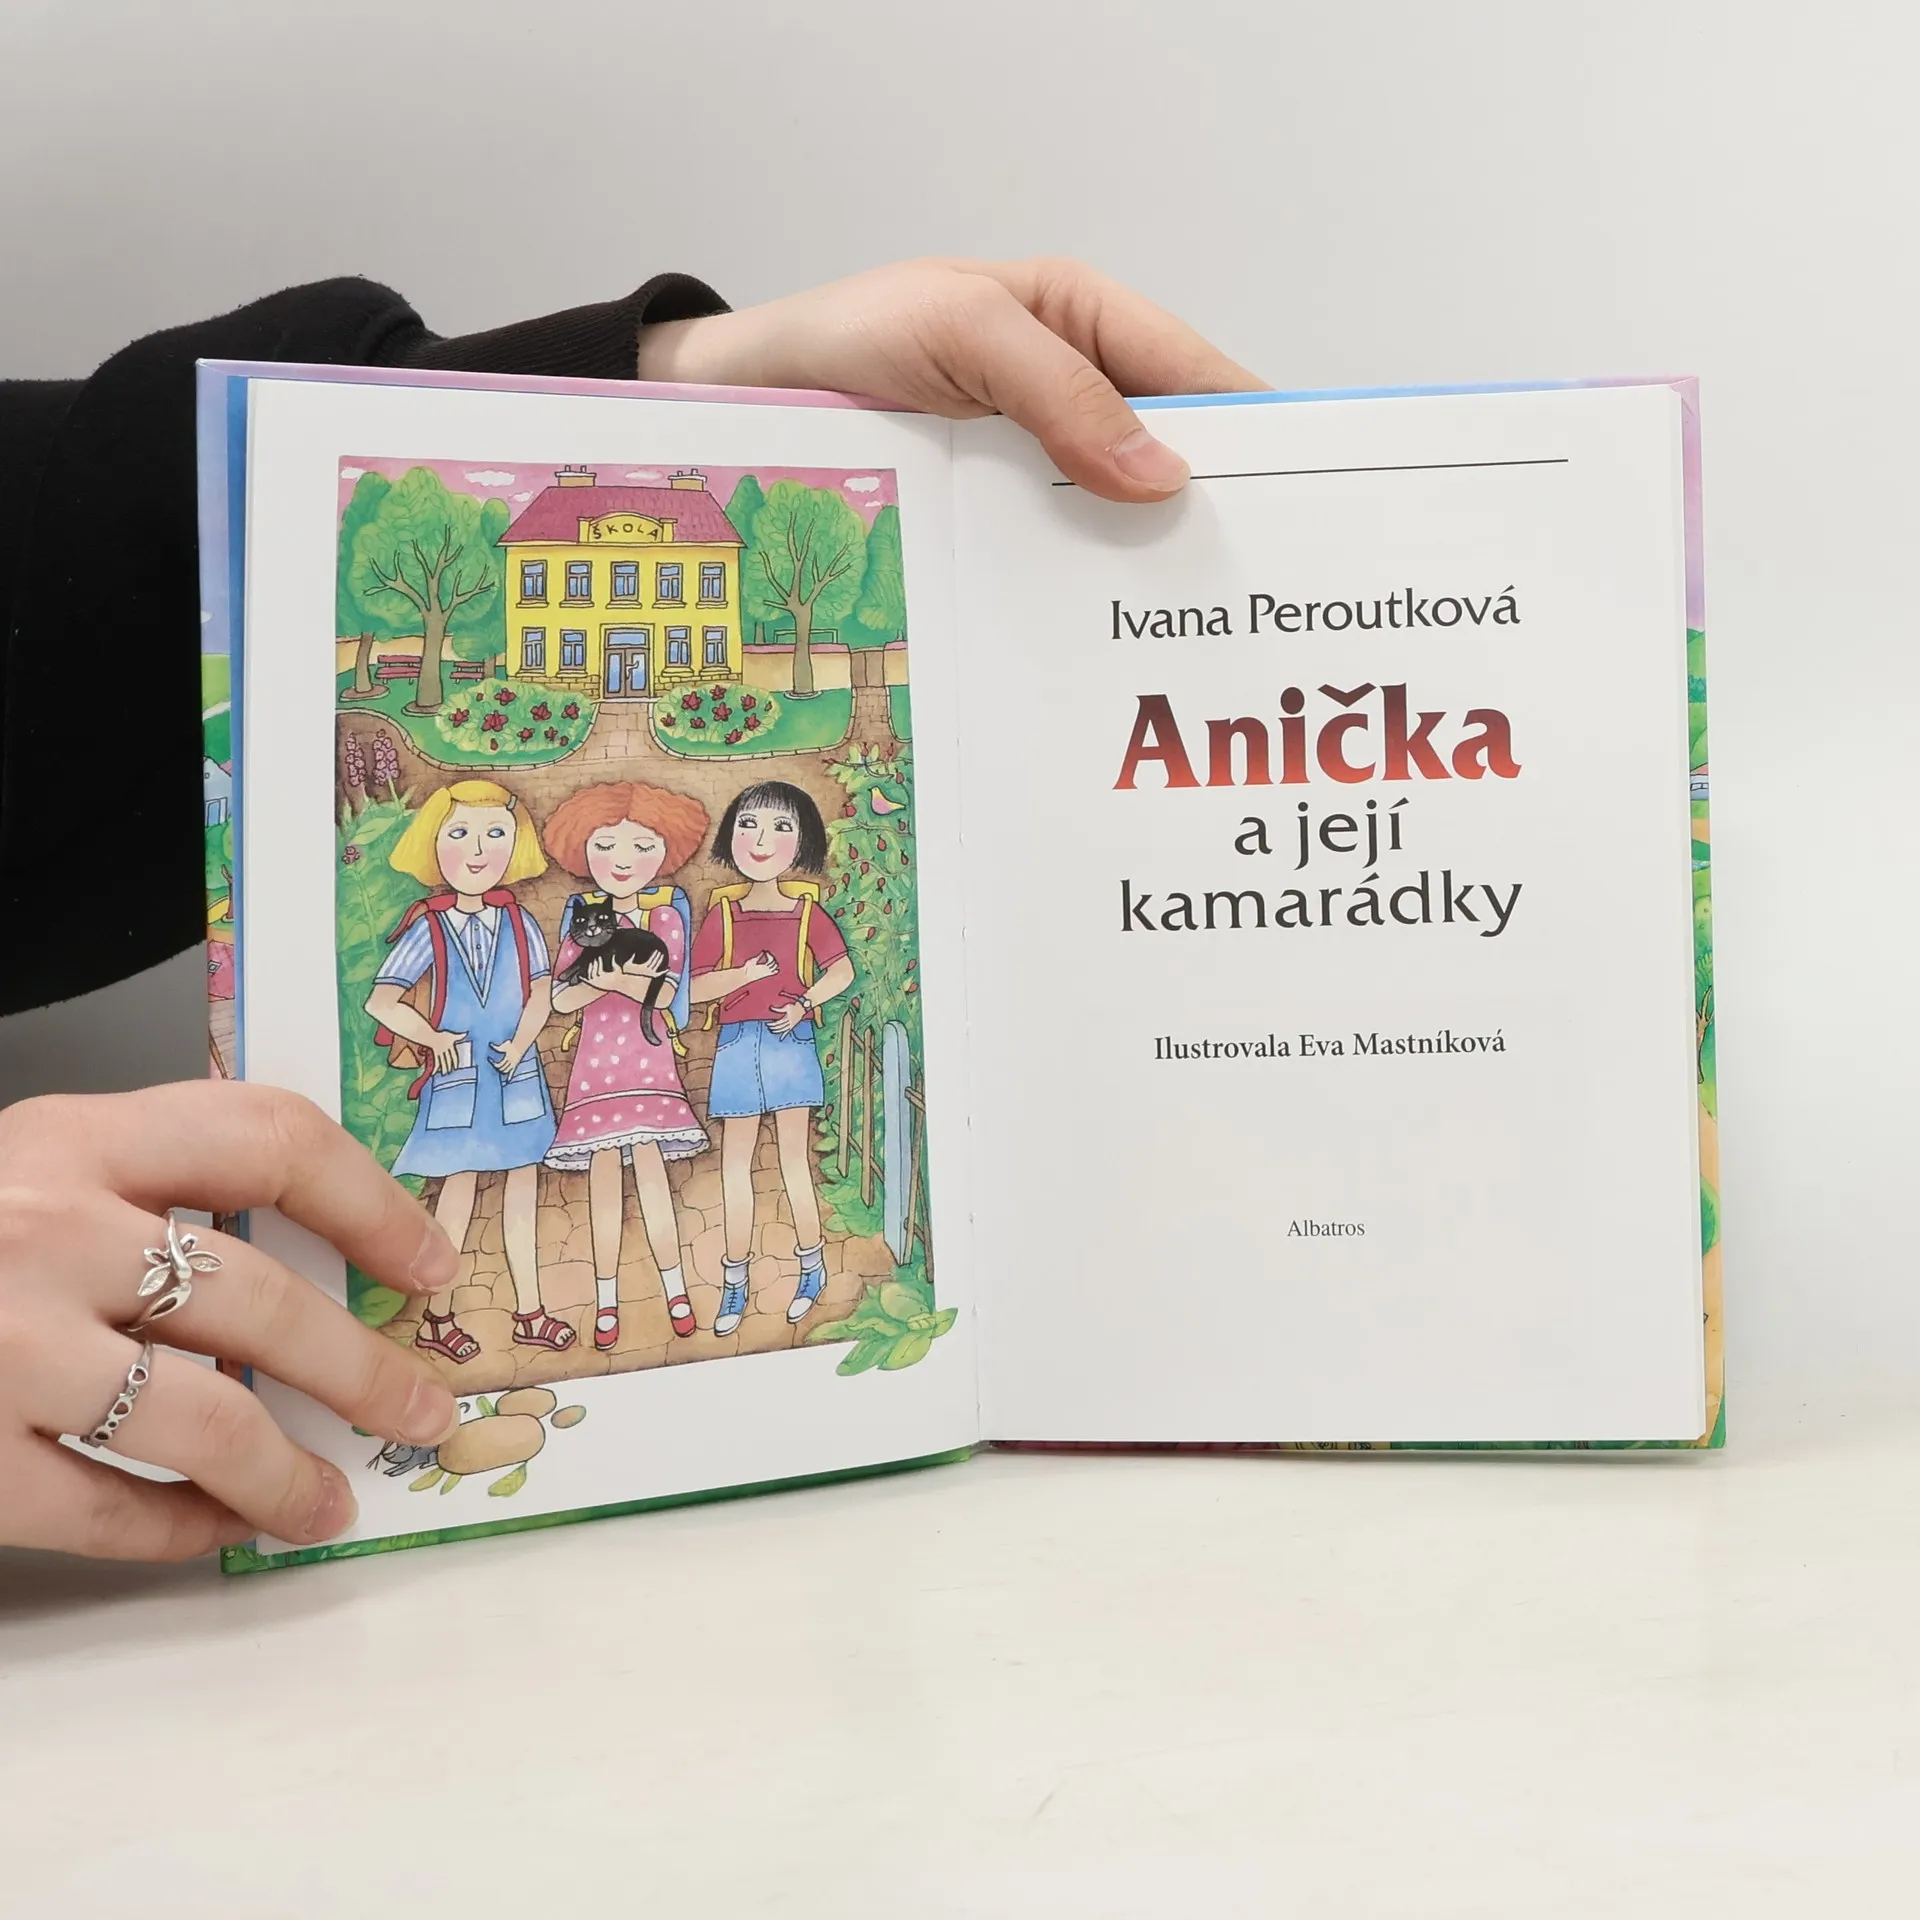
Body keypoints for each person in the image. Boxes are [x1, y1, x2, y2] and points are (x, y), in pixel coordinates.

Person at [0, 258, 1263, 1561]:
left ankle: (684, 1280)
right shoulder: (507, 913)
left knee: (689, 1169)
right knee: (488, 1201)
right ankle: (565, 1299)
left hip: (658, 1061)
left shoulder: (680, 901)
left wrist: (674, 382)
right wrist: (530, 1016)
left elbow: (79, 524)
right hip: (553, 1076)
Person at [364, 779, 576, 1363]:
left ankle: (530, 1311)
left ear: (516, 845)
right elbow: (382, 1000)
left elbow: (542, 992)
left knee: (523, 1192)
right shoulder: (427, 928)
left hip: (515, 1073)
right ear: (433, 844)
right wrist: (432, 1038)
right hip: (456, 1077)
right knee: (455, 1196)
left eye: (495, 835)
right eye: (459, 833)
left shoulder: (520, 922)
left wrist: (521, 1043)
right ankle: (438, 1317)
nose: (478, 851)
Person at [540, 781, 711, 1348]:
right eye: (606, 845)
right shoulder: (582, 917)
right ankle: (607, 1300)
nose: (623, 860)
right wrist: (616, 980)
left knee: (654, 1177)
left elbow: (669, 996)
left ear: (664, 853)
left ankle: (676, 1290)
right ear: (583, 850)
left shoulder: (666, 918)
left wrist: (610, 980)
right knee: (604, 1183)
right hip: (595, 1068)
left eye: (642, 847)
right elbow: (561, 997)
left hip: (649, 1061)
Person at [688, 782, 855, 1336]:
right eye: (749, 825)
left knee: (792, 1162)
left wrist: (805, 1002)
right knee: (735, 1166)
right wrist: (744, 975)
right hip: (738, 1042)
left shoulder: (807, 913)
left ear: (802, 842)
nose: (761, 841)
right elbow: (696, 987)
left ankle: (811, 1269)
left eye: (781, 828)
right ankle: (735, 1280)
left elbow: (842, 970)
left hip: (790, 1042)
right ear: (730, 834)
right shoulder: (724, 914)